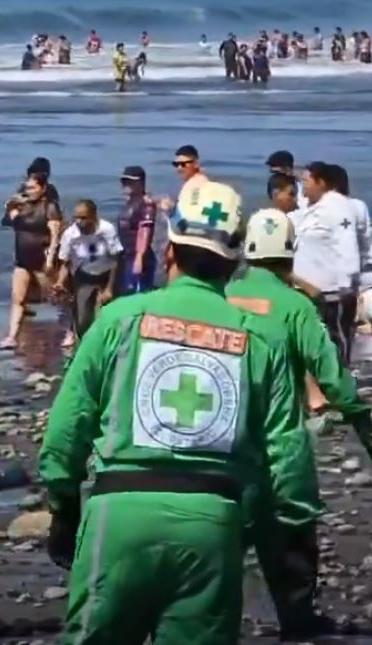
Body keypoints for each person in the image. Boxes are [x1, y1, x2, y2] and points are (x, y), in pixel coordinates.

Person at [41, 181, 321, 644]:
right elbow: (287, 452)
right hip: (213, 522)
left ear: (169, 250)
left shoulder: (118, 320)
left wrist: (63, 506)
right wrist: (293, 526)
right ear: (234, 262)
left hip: (118, 516)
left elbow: (67, 428)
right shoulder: (259, 338)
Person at [226, 207, 372, 640]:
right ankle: (297, 621)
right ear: (291, 253)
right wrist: (365, 428)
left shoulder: (220, 297)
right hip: (279, 453)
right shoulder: (296, 307)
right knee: (293, 540)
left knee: (220, 553)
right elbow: (335, 382)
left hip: (219, 452)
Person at [293, 162, 360, 365]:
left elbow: (347, 246)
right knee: (312, 341)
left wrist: (345, 287)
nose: (302, 186)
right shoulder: (313, 207)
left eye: (306, 182)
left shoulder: (338, 208)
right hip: (308, 290)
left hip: (332, 293)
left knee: (335, 340)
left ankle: (341, 378)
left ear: (321, 183)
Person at [0, 167, 62, 350]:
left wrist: (50, 260)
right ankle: (12, 337)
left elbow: (55, 236)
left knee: (57, 297)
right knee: (17, 299)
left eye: (33, 188)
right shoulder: (22, 206)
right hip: (22, 259)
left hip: (42, 260)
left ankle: (72, 330)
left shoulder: (50, 207)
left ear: (43, 188)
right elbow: (10, 221)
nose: (29, 191)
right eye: (28, 188)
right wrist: (11, 204)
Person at [54, 199, 121, 342]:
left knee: (110, 314)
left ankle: (108, 342)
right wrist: (60, 282)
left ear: (93, 216)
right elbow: (65, 263)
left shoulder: (106, 229)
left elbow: (115, 259)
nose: (79, 222)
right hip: (84, 275)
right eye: (76, 217)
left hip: (107, 273)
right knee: (82, 320)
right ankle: (85, 342)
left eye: (83, 218)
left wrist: (109, 289)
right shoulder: (70, 234)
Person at [116, 166, 157, 295]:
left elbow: (145, 230)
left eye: (129, 181)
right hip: (128, 255)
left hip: (139, 256)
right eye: (123, 181)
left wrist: (139, 257)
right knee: (127, 292)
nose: (125, 184)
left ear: (140, 182)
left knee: (138, 294)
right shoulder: (130, 202)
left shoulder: (146, 203)